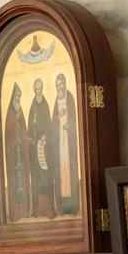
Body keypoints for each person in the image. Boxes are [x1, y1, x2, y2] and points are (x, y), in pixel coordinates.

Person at [50, 73, 79, 215]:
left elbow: (75, 118)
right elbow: (53, 123)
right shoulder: (56, 101)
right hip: (60, 143)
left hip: (69, 141)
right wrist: (57, 118)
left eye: (60, 84)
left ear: (65, 84)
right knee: (61, 173)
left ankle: (73, 206)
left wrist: (70, 125)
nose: (59, 88)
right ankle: (62, 205)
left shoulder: (70, 98)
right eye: (57, 85)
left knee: (70, 171)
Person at [3, 83, 30, 221]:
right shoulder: (10, 114)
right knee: (15, 182)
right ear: (13, 97)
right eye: (16, 96)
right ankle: (15, 213)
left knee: (23, 181)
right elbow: (9, 132)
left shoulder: (21, 112)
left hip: (22, 154)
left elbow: (24, 130)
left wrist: (26, 139)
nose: (18, 99)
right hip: (14, 156)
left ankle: (24, 211)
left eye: (19, 96)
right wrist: (15, 120)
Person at [27, 79, 53, 218]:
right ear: (34, 90)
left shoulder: (45, 104)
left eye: (39, 88)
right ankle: (35, 210)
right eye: (36, 89)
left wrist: (45, 136)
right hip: (34, 149)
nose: (38, 91)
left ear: (42, 89)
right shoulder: (32, 106)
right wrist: (30, 137)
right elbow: (30, 126)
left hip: (44, 147)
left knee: (46, 176)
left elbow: (49, 123)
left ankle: (50, 210)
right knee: (35, 178)